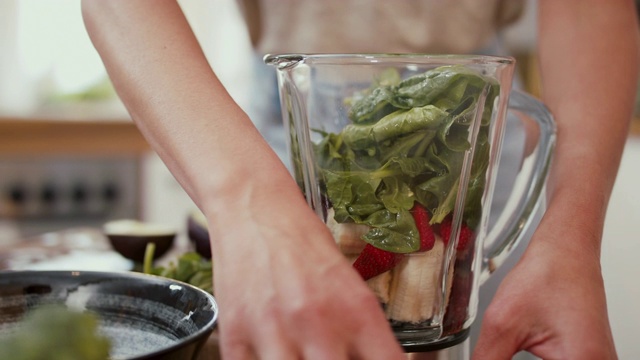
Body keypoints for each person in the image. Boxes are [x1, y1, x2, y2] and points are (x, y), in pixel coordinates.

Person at [81, 1, 639, 359]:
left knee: (442, 325)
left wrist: (570, 236)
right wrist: (247, 202)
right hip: (289, 116)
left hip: (456, 114)